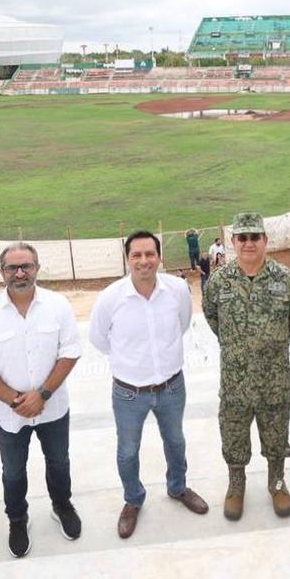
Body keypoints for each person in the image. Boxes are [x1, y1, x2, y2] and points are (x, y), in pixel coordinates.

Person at [0, 242, 83, 558]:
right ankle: (17, 519)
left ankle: (62, 505)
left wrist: (42, 394)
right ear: (2, 272)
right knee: (13, 472)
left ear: (37, 268)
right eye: (12, 268)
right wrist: (19, 401)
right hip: (10, 415)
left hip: (53, 408)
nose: (20, 273)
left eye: (26, 266)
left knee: (59, 462)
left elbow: (70, 352)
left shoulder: (58, 305)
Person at [89, 231, 209, 539]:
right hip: (129, 392)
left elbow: (182, 325)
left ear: (159, 257)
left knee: (176, 442)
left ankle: (178, 487)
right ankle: (133, 500)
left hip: (171, 386)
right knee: (128, 451)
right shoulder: (110, 298)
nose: (144, 261)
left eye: (150, 254)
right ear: (128, 259)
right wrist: (132, 365)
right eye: (136, 255)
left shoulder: (177, 290)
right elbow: (99, 340)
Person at [203, 213, 290, 520]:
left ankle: (277, 481)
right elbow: (212, 318)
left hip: (274, 379)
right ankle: (237, 484)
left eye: (254, 237)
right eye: (242, 238)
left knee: (276, 435)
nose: (248, 243)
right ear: (233, 242)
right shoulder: (219, 281)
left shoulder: (285, 279)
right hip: (235, 380)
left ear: (265, 240)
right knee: (233, 434)